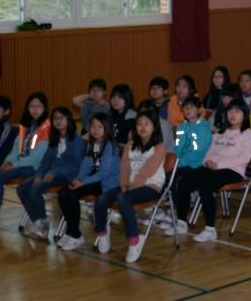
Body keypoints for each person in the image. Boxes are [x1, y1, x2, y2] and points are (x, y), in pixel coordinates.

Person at [173, 101, 251, 244]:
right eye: (230, 111)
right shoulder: (221, 131)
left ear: (245, 115)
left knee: (205, 185)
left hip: (233, 170)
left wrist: (219, 165)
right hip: (212, 167)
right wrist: (207, 161)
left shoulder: (247, 134)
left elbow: (244, 158)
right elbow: (209, 150)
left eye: (237, 111)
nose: (233, 114)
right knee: (185, 180)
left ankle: (210, 229)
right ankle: (181, 222)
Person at [91, 111, 168, 263]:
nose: (143, 128)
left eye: (147, 124)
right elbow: (125, 168)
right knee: (101, 200)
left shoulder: (159, 147)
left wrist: (129, 188)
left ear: (154, 127)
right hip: (129, 186)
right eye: (139, 124)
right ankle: (102, 233)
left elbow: (147, 172)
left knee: (123, 198)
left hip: (151, 186)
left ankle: (134, 240)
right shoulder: (131, 145)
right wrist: (124, 184)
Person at [0, 93, 50, 233]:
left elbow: (37, 157)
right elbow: (16, 148)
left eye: (38, 106)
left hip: (34, 167)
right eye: (31, 106)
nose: (35, 109)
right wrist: (8, 161)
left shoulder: (47, 128)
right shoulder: (26, 126)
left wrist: (15, 164)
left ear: (45, 108)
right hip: (20, 164)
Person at [17, 107, 85, 239]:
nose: (58, 121)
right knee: (22, 188)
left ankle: (43, 221)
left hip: (66, 175)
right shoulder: (54, 138)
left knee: (35, 188)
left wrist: (54, 172)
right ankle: (39, 219)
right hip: (50, 172)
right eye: (55, 118)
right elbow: (46, 160)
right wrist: (39, 175)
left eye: (61, 118)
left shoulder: (77, 140)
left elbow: (75, 165)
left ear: (68, 119)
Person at [54, 113, 119, 251]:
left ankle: (75, 235)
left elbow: (104, 173)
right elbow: (86, 165)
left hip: (106, 183)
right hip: (94, 179)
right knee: (63, 193)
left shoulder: (110, 146)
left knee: (72, 195)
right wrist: (78, 179)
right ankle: (71, 232)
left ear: (107, 129)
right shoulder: (93, 143)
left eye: (100, 127)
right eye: (93, 126)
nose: (95, 130)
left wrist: (83, 182)